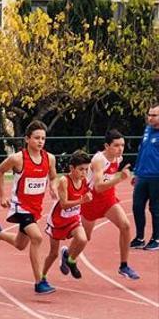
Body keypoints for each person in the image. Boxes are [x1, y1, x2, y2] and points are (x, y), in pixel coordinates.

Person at [0, 121, 59, 295]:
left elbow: (53, 177)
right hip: (20, 206)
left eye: (43, 138)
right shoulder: (17, 159)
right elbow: (0, 171)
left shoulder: (50, 158)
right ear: (27, 139)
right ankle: (39, 281)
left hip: (35, 208)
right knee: (37, 238)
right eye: (37, 138)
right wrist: (2, 195)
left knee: (20, 244)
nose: (40, 141)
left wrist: (52, 187)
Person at [81, 130, 138, 280]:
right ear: (107, 146)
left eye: (123, 145)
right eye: (116, 145)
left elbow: (108, 182)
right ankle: (68, 254)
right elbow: (98, 186)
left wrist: (124, 177)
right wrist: (119, 178)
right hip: (91, 201)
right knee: (84, 238)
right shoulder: (98, 160)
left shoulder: (118, 158)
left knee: (125, 226)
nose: (120, 149)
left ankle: (124, 265)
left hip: (108, 199)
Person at [43, 151, 93, 281]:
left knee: (82, 239)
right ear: (72, 168)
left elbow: (88, 194)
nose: (84, 173)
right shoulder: (64, 181)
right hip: (58, 221)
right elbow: (64, 204)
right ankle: (42, 276)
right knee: (53, 254)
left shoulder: (84, 181)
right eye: (81, 169)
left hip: (73, 218)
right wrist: (82, 200)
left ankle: (70, 260)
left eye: (86, 169)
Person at [131, 104, 159, 251]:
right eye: (149, 114)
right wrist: (136, 171)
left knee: (155, 208)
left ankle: (156, 238)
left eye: (154, 115)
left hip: (156, 176)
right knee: (137, 206)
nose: (150, 118)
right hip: (142, 175)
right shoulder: (147, 130)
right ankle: (139, 237)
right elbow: (141, 151)